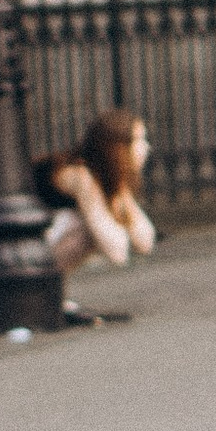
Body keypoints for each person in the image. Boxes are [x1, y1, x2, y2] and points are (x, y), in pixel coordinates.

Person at [37, 108, 156, 302]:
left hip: (43, 240)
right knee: (84, 228)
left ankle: (47, 295)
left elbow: (145, 241)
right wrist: (119, 202)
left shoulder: (106, 175)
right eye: (139, 140)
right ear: (117, 147)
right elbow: (117, 252)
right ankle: (41, 294)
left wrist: (121, 192)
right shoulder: (80, 175)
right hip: (28, 247)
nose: (146, 147)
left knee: (89, 228)